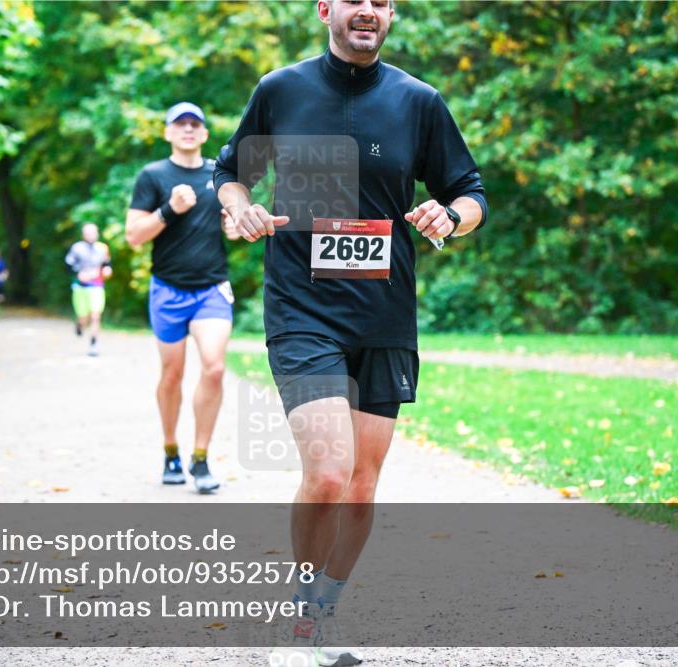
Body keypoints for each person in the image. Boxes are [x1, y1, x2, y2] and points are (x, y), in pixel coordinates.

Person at [214, 1, 488, 663]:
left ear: (389, 15)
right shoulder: (280, 90)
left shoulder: (418, 100)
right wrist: (241, 210)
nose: (368, 9)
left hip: (385, 315)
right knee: (331, 472)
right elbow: (230, 176)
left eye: (381, 1)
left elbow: (470, 190)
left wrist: (449, 216)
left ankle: (321, 613)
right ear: (325, 9)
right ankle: (299, 625)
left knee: (363, 484)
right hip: (302, 308)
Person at [126, 101, 242, 494]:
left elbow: (235, 229)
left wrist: (234, 227)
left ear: (205, 134)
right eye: (180, 124)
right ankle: (170, 450)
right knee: (172, 374)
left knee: (213, 368)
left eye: (195, 124)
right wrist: (168, 210)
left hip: (211, 288)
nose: (188, 129)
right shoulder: (153, 175)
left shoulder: (219, 175)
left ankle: (201, 458)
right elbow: (133, 236)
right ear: (168, 132)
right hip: (167, 290)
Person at [65, 223, 113, 357]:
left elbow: (107, 265)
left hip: (96, 286)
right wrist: (79, 273)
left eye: (93, 232)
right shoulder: (77, 248)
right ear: (83, 234)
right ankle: (80, 325)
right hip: (80, 287)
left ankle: (93, 344)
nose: (91, 235)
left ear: (97, 233)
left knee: (96, 316)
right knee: (83, 317)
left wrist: (107, 270)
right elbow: (68, 265)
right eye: (88, 233)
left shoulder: (103, 248)